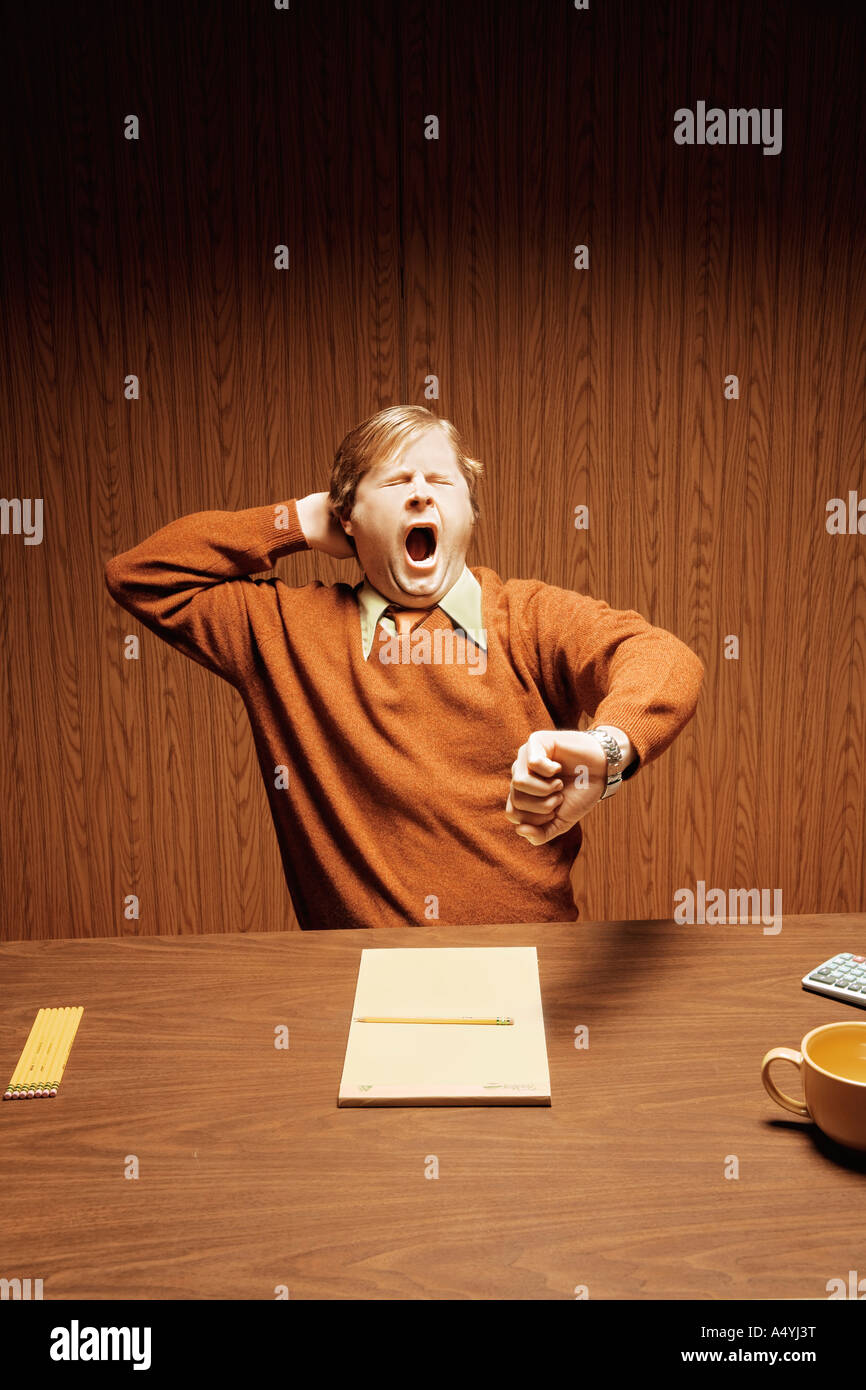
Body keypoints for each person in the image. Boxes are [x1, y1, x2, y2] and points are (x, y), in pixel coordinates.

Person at [104, 404, 704, 930]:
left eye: (441, 481)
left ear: (470, 514)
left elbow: (661, 657)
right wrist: (298, 520)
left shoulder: (528, 617)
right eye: (394, 483)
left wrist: (608, 749)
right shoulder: (283, 630)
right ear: (347, 520)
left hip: (529, 965)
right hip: (361, 980)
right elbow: (142, 575)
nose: (421, 493)